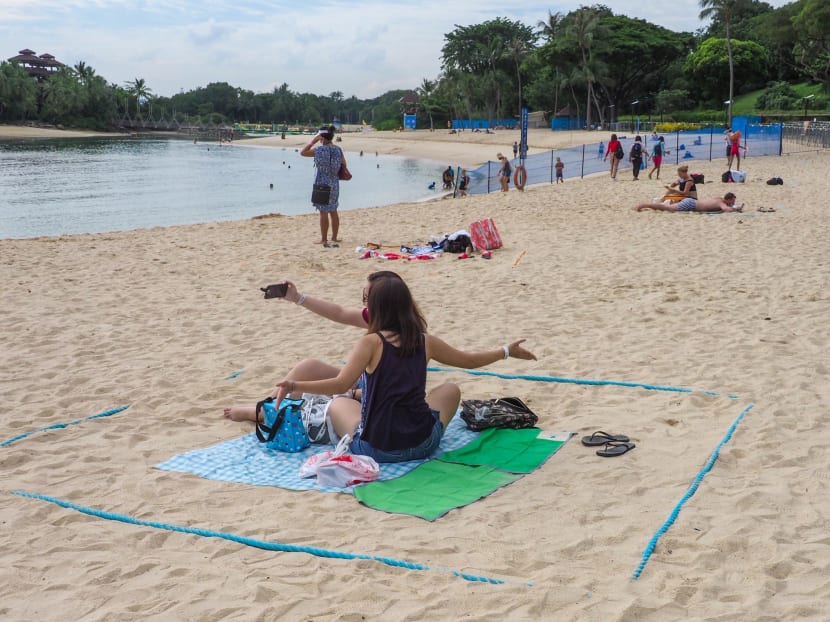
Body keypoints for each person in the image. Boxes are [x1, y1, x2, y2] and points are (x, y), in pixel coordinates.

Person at [227, 276, 537, 463]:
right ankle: (269, 406)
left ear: (378, 307)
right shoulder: (426, 340)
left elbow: (339, 383)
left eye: (366, 299)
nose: (362, 304)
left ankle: (267, 411)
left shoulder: (370, 342)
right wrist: (507, 351)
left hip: (377, 449)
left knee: (337, 403)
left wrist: (295, 386)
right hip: (423, 444)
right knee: (451, 389)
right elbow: (469, 360)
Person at [301, 125, 345, 247]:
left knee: (323, 212)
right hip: (335, 183)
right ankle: (334, 237)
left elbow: (303, 152)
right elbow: (344, 164)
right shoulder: (338, 149)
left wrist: (312, 141)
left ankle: (324, 239)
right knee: (333, 210)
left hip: (322, 184)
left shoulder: (319, 150)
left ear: (321, 137)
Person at [635, 192, 743, 213]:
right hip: (691, 204)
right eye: (732, 201)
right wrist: (736, 208)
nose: (732, 203)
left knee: (669, 207)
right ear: (728, 199)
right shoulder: (721, 203)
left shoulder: (718, 198)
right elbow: (726, 209)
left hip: (692, 202)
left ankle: (664, 203)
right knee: (669, 209)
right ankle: (644, 205)